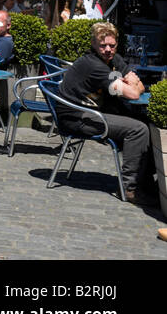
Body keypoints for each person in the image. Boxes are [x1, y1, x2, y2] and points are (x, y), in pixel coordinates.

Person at [56, 22, 154, 204]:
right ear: (93, 44)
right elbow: (133, 93)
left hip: (94, 111)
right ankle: (128, 188)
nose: (108, 49)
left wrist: (131, 82)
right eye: (103, 46)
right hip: (76, 116)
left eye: (112, 45)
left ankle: (145, 182)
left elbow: (138, 85)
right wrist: (130, 82)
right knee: (138, 129)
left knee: (147, 123)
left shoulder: (113, 60)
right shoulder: (94, 65)